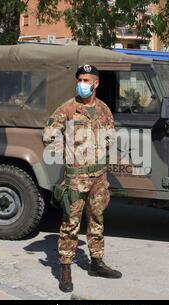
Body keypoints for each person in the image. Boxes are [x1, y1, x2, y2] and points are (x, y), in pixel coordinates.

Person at [43, 64, 122, 293]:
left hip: (99, 176)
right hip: (76, 178)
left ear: (96, 83)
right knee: (70, 222)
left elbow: (111, 135)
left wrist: (102, 151)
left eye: (86, 80)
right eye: (80, 79)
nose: (82, 84)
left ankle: (96, 262)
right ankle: (65, 267)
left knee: (97, 219)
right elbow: (48, 135)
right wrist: (65, 153)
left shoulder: (104, 109)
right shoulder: (68, 109)